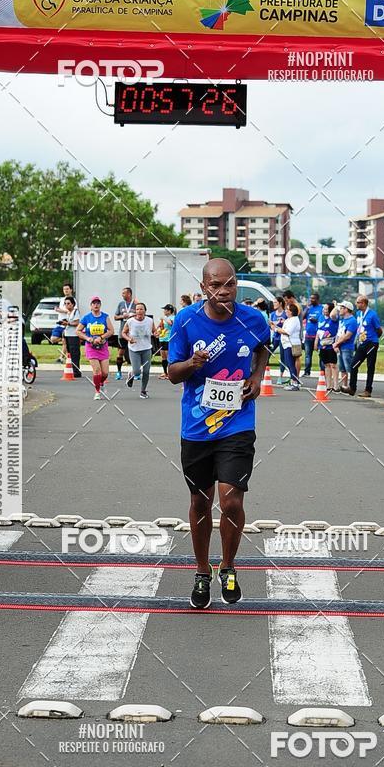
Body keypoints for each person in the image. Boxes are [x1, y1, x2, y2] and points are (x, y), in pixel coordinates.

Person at [168, 258, 270, 609]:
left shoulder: (253, 318)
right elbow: (172, 372)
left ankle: (228, 566)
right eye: (216, 285)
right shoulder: (186, 321)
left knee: (231, 500)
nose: (224, 291)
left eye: (230, 284)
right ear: (203, 288)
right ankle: (201, 571)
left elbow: (264, 346)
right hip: (197, 428)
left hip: (237, 424)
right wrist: (192, 365)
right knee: (201, 501)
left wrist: (256, 377)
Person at [342, 294, 382, 398]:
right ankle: (352, 388)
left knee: (370, 366)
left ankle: (368, 390)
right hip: (362, 343)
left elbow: (379, 329)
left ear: (363, 303)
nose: (356, 304)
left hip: (371, 343)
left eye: (358, 302)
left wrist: (373, 339)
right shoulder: (359, 314)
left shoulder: (372, 315)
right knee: (353, 365)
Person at [76, 296, 114, 399]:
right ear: (91, 306)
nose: (96, 305)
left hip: (103, 346)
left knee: (105, 373)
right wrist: (88, 339)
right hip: (91, 346)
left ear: (100, 305)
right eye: (94, 303)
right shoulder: (86, 318)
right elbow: (78, 331)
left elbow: (111, 331)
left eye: (98, 303)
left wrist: (101, 337)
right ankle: (97, 392)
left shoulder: (105, 317)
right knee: (97, 371)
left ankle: (101, 383)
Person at [121, 302, 159, 399]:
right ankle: (131, 374)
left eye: (141, 309)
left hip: (146, 348)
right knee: (137, 371)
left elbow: (154, 331)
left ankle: (143, 391)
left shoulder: (150, 321)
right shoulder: (130, 321)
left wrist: (156, 334)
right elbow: (123, 333)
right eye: (137, 309)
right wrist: (129, 339)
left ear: (145, 311)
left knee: (146, 371)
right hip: (134, 349)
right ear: (135, 311)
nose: (139, 311)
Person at [273, 302, 302, 390]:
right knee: (289, 364)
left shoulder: (294, 320)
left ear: (291, 311)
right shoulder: (289, 320)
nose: (286, 311)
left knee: (291, 364)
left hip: (291, 344)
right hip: (286, 344)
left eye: (287, 310)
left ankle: (295, 383)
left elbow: (287, 332)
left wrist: (276, 329)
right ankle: (293, 381)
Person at [333, 300, 357, 391]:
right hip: (340, 346)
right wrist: (337, 344)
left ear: (347, 309)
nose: (340, 310)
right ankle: (345, 385)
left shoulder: (352, 321)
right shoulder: (342, 320)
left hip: (347, 347)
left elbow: (347, 336)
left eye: (342, 308)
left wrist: (336, 343)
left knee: (349, 367)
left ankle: (352, 386)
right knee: (342, 368)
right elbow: (339, 333)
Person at [113, 287, 137, 380]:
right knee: (121, 352)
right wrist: (123, 316)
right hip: (123, 332)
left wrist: (133, 315)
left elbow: (142, 313)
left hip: (134, 333)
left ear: (129, 294)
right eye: (122, 293)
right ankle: (118, 372)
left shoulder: (135, 304)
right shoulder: (121, 304)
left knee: (135, 353)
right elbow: (115, 317)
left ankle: (135, 372)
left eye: (124, 293)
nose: (122, 295)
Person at [316, 301, 339, 391]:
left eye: (326, 309)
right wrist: (316, 342)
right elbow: (318, 330)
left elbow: (333, 315)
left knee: (333, 364)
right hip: (323, 344)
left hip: (331, 344)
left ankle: (336, 385)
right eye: (323, 309)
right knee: (326, 365)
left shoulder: (333, 318)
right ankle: (328, 384)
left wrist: (336, 306)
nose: (324, 310)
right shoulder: (321, 318)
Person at [52, 282, 76, 363]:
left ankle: (61, 358)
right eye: (64, 289)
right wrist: (59, 310)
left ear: (71, 290)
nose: (65, 291)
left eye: (67, 289)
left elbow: (70, 311)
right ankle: (64, 339)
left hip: (67, 324)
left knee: (64, 341)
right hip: (60, 323)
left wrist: (59, 310)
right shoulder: (62, 300)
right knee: (53, 339)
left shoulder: (73, 300)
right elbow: (63, 310)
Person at [302, 292, 323, 376]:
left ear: (317, 299)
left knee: (321, 355)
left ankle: (322, 371)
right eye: (310, 298)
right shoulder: (309, 308)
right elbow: (302, 317)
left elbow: (323, 319)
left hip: (318, 336)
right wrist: (306, 308)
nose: (311, 300)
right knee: (307, 355)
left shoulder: (321, 308)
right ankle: (307, 371)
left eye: (313, 298)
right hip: (308, 335)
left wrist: (316, 320)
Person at [60, 296, 81, 377]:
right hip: (68, 334)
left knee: (75, 353)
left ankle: (76, 371)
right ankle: (72, 369)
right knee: (70, 353)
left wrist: (68, 323)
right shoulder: (68, 313)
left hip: (74, 336)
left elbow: (77, 323)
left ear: (73, 304)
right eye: (65, 304)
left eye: (68, 303)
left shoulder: (75, 312)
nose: (66, 305)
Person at [269, 296, 287, 385]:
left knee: (283, 357)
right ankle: (263, 374)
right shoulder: (272, 314)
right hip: (274, 337)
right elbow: (270, 325)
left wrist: (282, 322)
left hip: (283, 338)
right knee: (267, 353)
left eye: (275, 302)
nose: (274, 304)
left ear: (280, 303)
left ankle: (281, 376)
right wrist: (274, 325)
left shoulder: (285, 314)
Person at [156, 304, 176, 379]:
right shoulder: (164, 318)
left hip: (169, 339)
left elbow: (171, 323)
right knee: (163, 356)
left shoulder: (173, 317)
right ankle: (165, 373)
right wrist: (157, 331)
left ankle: (171, 373)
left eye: (165, 310)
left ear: (169, 311)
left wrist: (164, 318)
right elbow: (161, 327)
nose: (164, 311)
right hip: (162, 338)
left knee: (168, 356)